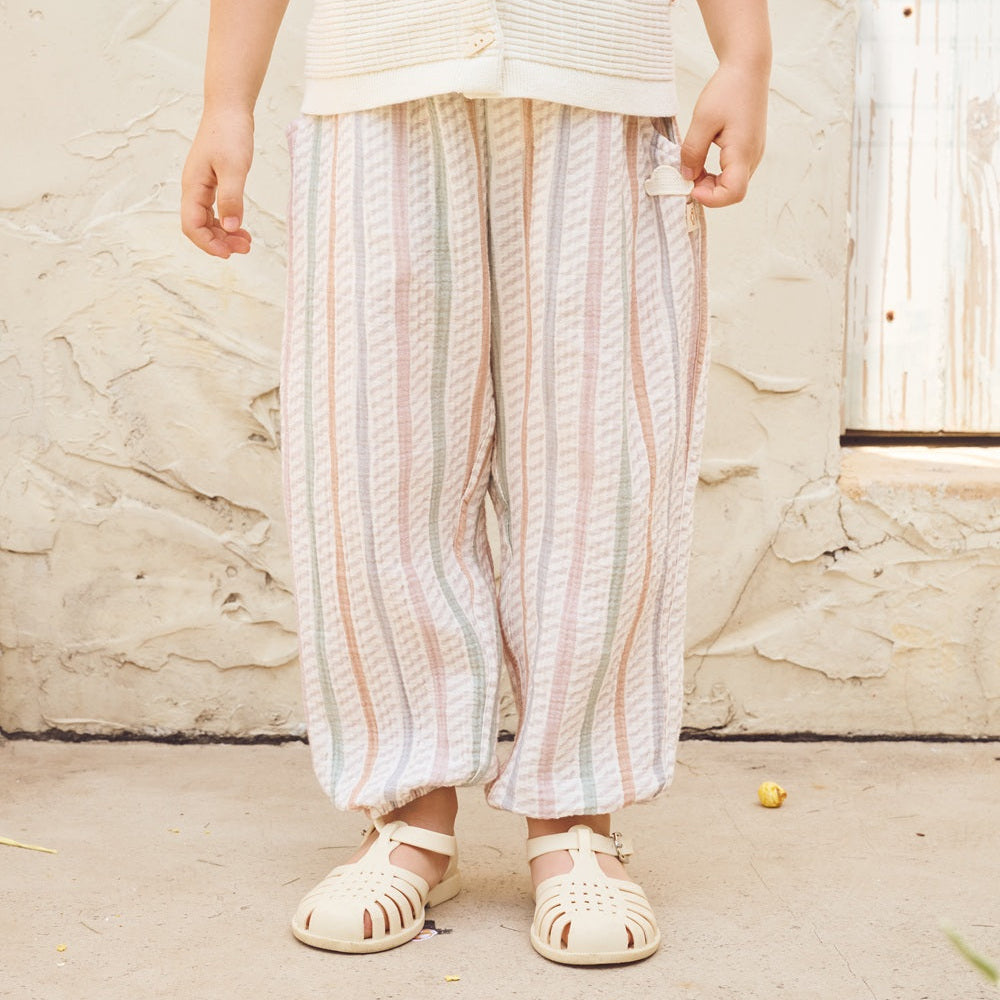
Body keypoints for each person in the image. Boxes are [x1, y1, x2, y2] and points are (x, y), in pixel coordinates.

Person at [181, 0, 771, 967]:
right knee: (375, 459)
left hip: (595, 84)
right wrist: (225, 99)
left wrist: (745, 53)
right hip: (379, 85)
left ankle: (575, 812)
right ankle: (409, 808)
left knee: (602, 466)